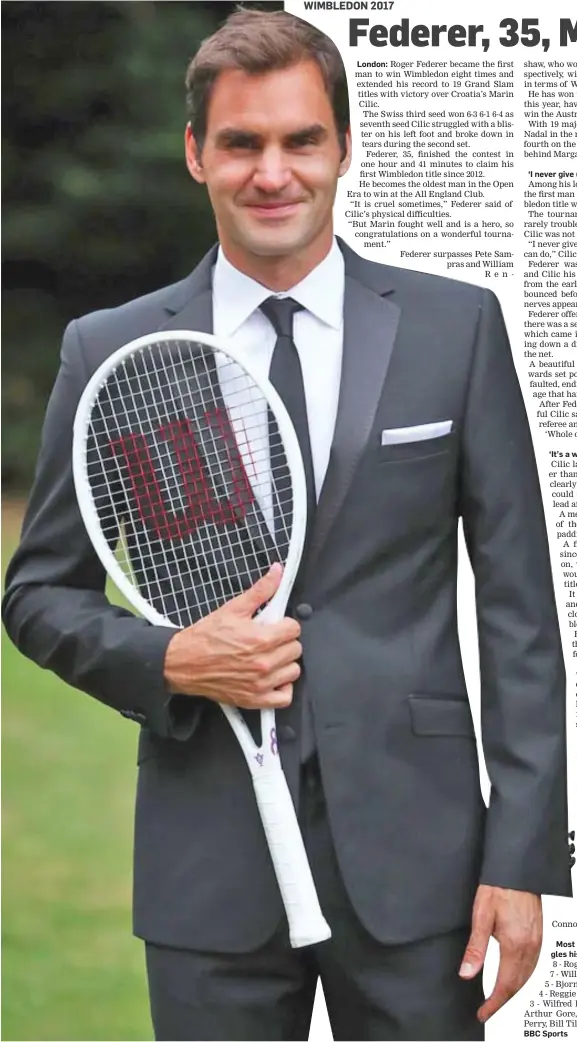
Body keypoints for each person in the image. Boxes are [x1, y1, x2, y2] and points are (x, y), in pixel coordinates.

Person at [3, 8, 573, 1041]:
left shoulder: (458, 328)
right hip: (206, 865)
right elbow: (37, 595)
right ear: (195, 154)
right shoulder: (112, 351)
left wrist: (523, 857)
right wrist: (175, 658)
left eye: (300, 140)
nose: (274, 172)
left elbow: (521, 615)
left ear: (342, 147)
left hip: (420, 866)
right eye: (241, 143)